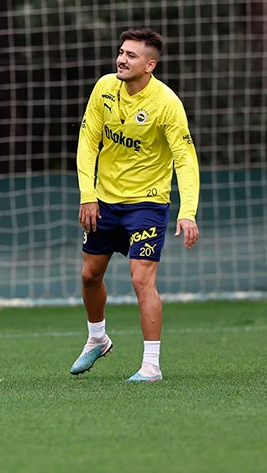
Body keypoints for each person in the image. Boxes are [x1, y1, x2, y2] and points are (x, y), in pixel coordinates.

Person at [71, 28, 200, 383]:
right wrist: (88, 194)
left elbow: (185, 159)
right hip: (104, 200)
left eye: (131, 55)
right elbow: (88, 142)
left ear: (150, 65)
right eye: (121, 52)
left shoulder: (167, 103)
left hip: (147, 203)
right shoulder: (104, 88)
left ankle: (151, 366)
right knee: (89, 275)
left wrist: (188, 212)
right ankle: (97, 338)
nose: (121, 60)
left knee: (142, 279)